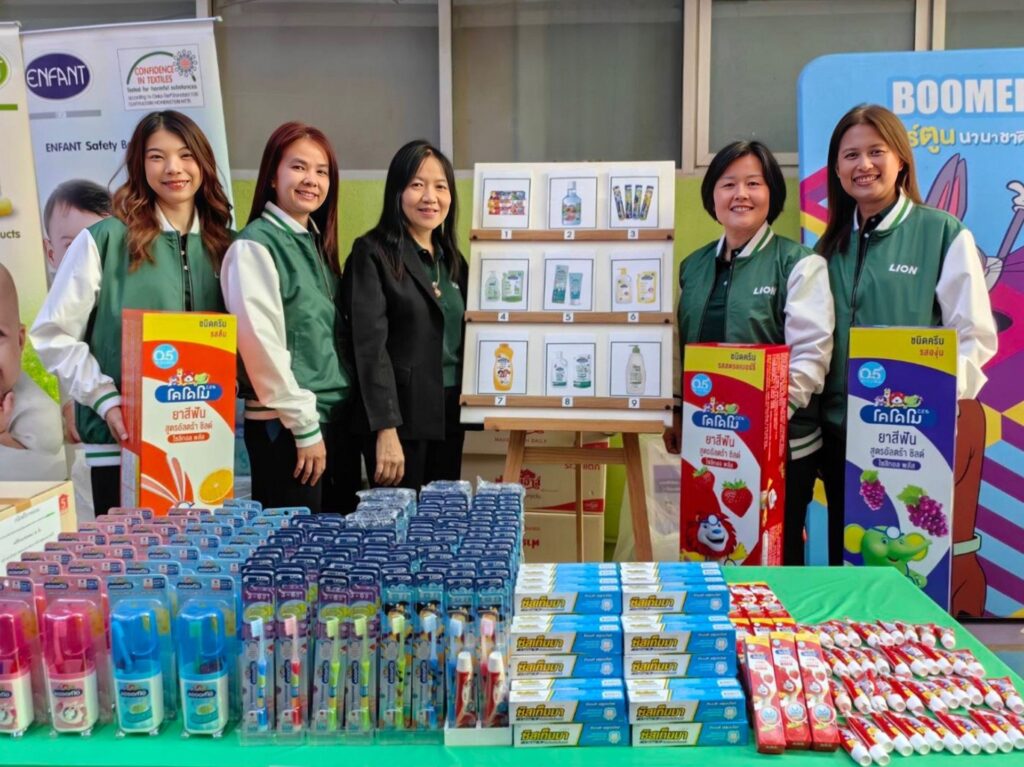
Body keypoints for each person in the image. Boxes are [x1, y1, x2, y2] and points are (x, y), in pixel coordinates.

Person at [816, 103, 997, 566]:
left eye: (876, 151)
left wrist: (934, 405)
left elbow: (974, 337)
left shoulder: (940, 233)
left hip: (912, 439)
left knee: (908, 565)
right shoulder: (828, 246)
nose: (864, 165)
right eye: (850, 155)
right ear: (837, 170)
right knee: (849, 559)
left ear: (901, 160)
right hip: (840, 436)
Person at [30, 110, 233, 515]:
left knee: (203, 556)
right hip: (120, 445)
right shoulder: (105, 238)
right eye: (157, 156)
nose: (173, 168)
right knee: (129, 555)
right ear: (139, 165)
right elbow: (51, 334)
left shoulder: (225, 245)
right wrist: (105, 399)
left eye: (186, 155)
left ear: (203, 163)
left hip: (203, 440)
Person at [665, 140, 834, 565]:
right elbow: (678, 347)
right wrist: (677, 411)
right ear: (713, 196)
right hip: (710, 443)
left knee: (776, 557)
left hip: (782, 445)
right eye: (728, 184)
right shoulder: (692, 267)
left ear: (772, 192)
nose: (740, 194)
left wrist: (768, 423)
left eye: (753, 183)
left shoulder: (798, 263)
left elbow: (811, 355)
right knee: (710, 547)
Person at [222, 122, 356, 513]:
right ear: (272, 176)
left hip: (325, 419)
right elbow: (260, 346)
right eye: (298, 167)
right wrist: (304, 426)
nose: (311, 179)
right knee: (295, 546)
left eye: (321, 171)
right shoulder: (255, 246)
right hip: (287, 427)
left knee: (332, 545)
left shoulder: (314, 243)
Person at [341, 139, 467, 490]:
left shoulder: (452, 260)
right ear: (397, 191)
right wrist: (385, 428)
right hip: (400, 421)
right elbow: (368, 347)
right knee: (400, 522)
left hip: (448, 415)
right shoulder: (372, 253)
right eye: (417, 185)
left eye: (440, 187)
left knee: (443, 517)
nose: (430, 197)